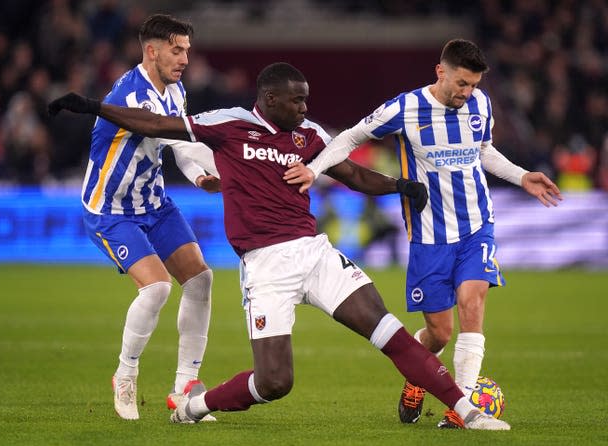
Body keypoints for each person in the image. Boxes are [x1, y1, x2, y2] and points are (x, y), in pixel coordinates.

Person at [48, 62, 511, 430]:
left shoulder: (309, 138)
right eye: (297, 101)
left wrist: (399, 186)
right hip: (266, 266)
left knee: (388, 331)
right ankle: (193, 407)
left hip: (315, 253)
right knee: (274, 382)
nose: (305, 109)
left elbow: (351, 173)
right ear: (269, 99)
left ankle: (467, 410)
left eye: (306, 100)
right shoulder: (227, 126)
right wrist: (93, 106)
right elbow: (153, 123)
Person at [283, 39, 563, 428]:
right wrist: (314, 170)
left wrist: (521, 176)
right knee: (439, 332)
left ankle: (461, 410)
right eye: (461, 84)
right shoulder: (405, 108)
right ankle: (416, 380)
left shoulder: (480, 104)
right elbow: (350, 137)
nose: (467, 93)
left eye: (474, 85)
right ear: (440, 72)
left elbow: (482, 151)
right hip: (430, 235)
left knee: (472, 301)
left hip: (477, 224)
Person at [68, 14, 220, 421]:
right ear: (151, 51)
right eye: (177, 49)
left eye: (187, 49)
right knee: (156, 289)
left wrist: (201, 174)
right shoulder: (135, 97)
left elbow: (180, 145)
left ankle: (185, 387)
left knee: (201, 279)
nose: (185, 58)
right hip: (112, 210)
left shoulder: (175, 89)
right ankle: (126, 373)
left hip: (153, 203)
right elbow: (168, 132)